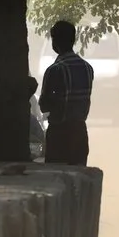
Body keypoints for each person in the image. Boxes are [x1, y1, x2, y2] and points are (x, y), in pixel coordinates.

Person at [39, 20, 94, 166]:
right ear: (73, 40)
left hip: (59, 134)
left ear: (55, 41)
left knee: (56, 177)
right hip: (80, 132)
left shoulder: (55, 70)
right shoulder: (87, 68)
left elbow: (43, 105)